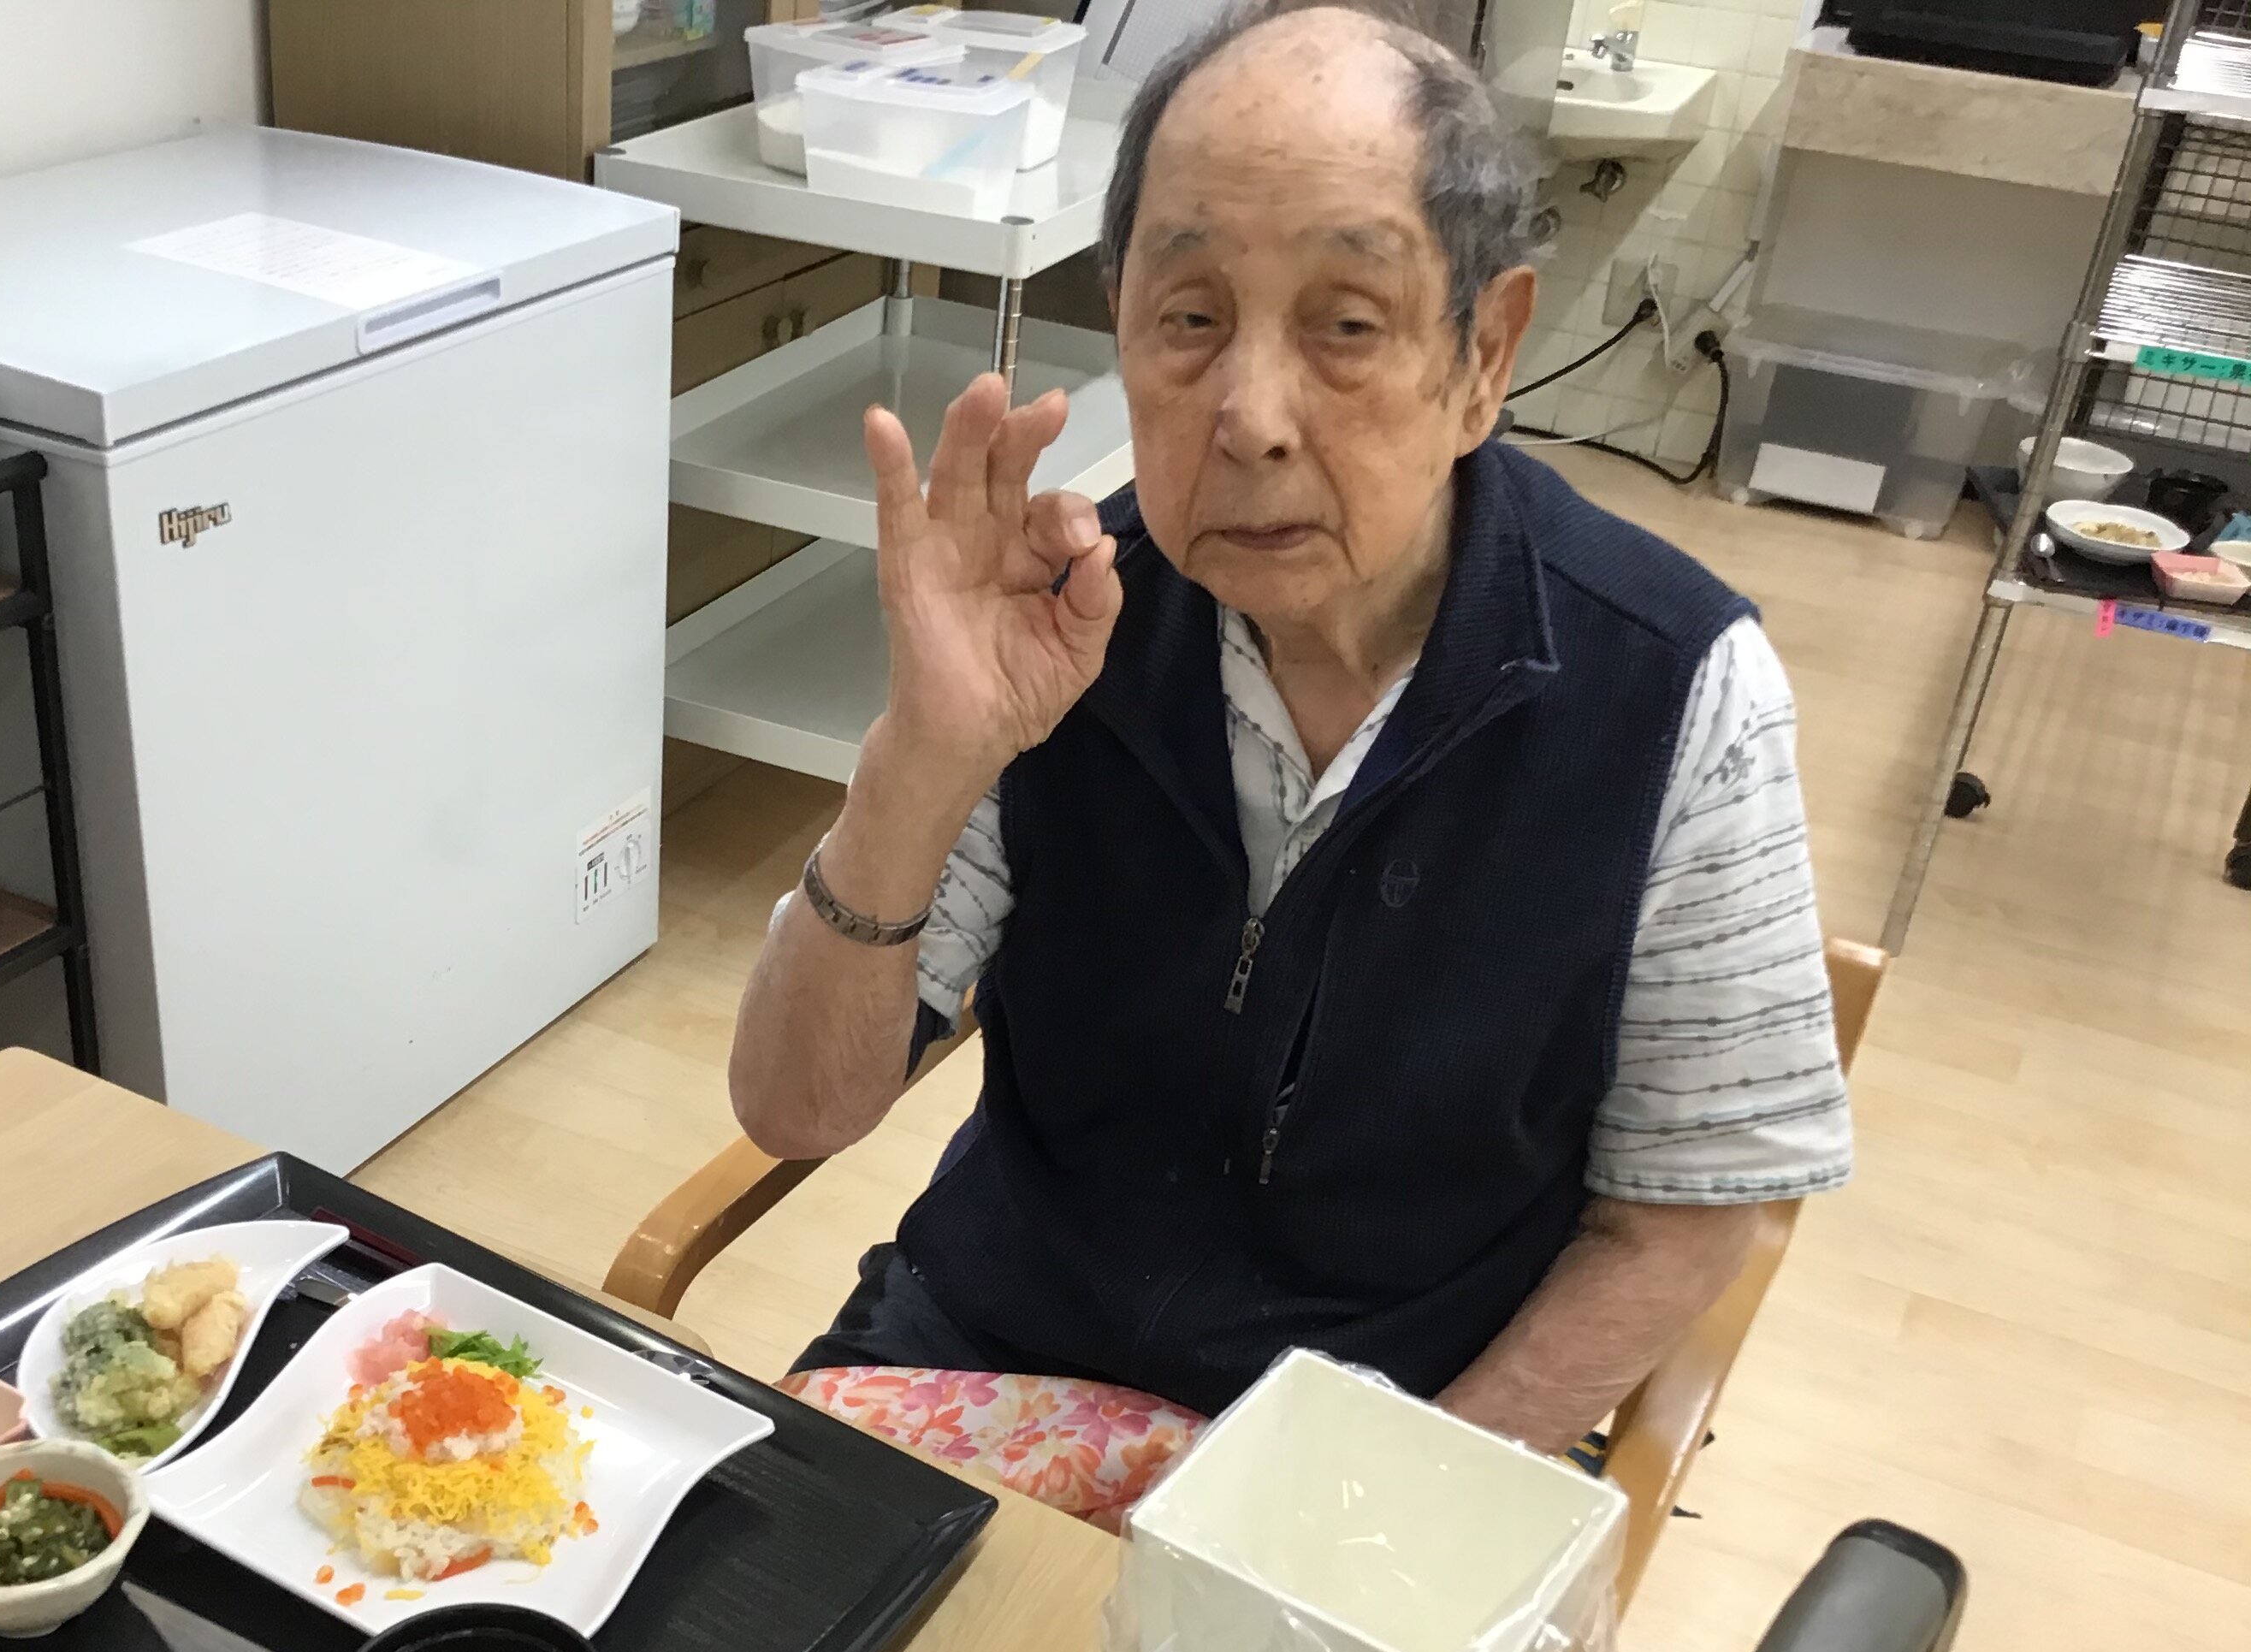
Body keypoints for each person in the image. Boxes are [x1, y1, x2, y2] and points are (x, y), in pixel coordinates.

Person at [727, 0, 1851, 1484]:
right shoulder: (1060, 623)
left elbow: (1683, 1217)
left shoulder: (1674, 690)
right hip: (991, 1338)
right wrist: (920, 759)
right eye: (1190, 319)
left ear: (1485, 355)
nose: (1249, 417)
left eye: (1347, 324)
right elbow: (796, 1110)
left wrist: (1374, 1511)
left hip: (1391, 1430)